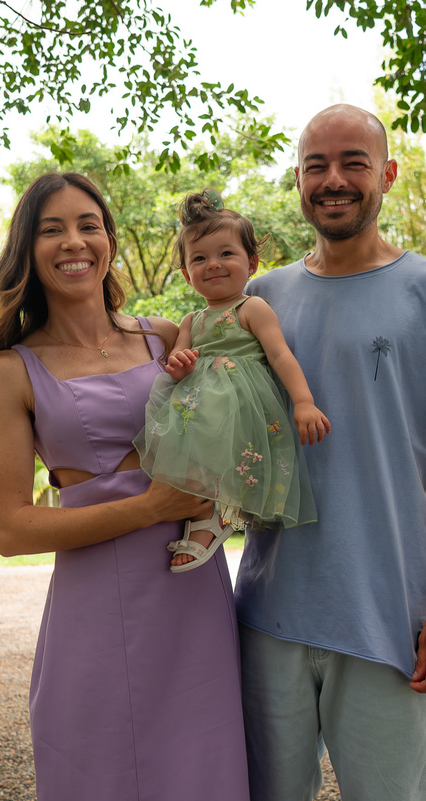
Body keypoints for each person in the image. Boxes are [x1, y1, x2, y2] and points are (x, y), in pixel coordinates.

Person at [235, 105, 426, 801]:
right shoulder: (259, 300)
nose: (334, 180)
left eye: (353, 162)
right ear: (297, 179)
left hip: (392, 615)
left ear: (385, 174)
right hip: (268, 615)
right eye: (316, 165)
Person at [0, 172, 249, 801]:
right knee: (98, 770)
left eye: (88, 225)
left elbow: (245, 392)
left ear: (109, 241)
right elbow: (12, 529)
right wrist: (150, 505)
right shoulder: (9, 370)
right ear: (29, 249)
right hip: (94, 609)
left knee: (205, 770)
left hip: (193, 599)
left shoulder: (163, 336)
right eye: (52, 229)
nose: (74, 242)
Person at [134, 190, 330, 572]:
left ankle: (218, 519)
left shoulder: (251, 308)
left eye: (226, 254)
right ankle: (203, 517)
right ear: (187, 273)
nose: (213, 265)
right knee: (190, 461)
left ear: (252, 262)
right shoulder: (191, 320)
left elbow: (280, 355)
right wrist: (180, 364)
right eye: (200, 258)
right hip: (200, 401)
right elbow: (180, 358)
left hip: (242, 402)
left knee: (225, 462)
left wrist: (303, 401)